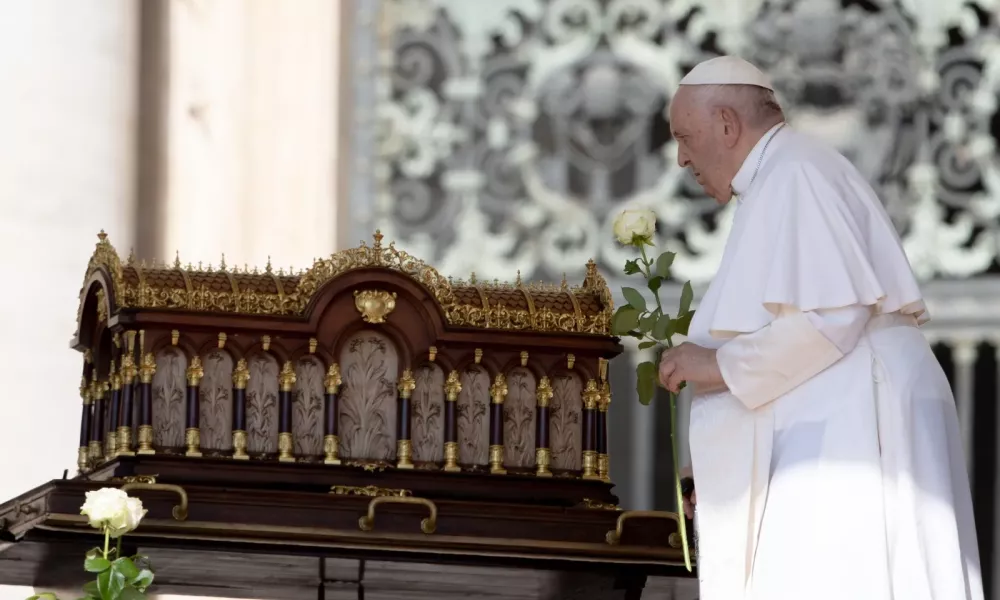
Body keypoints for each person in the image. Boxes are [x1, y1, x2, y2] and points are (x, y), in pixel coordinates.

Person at [657, 55, 983, 600]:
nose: (681, 157)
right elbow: (794, 333)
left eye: (685, 137)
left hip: (856, 423)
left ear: (728, 125)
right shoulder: (779, 176)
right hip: (843, 409)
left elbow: (830, 318)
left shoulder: (796, 171)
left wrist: (713, 365)